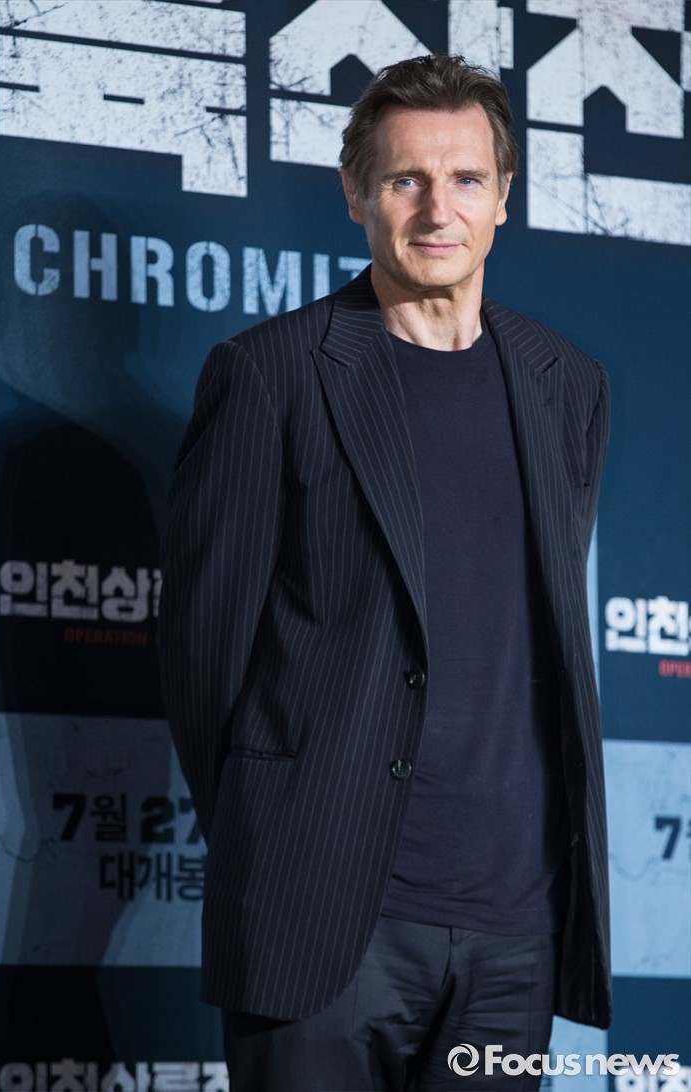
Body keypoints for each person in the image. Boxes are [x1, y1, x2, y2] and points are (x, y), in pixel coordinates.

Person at [159, 53, 611, 1092]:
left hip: (515, 934)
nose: (437, 210)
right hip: (325, 921)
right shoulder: (270, 373)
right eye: (407, 178)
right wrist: (280, 845)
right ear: (357, 193)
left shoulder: (568, 386)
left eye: (465, 179)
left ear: (504, 195)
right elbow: (203, 662)